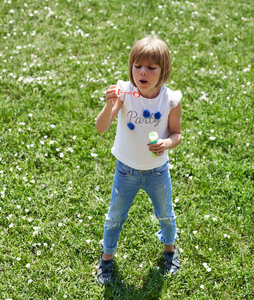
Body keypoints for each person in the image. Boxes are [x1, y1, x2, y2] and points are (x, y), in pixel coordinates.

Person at [95, 36, 182, 285]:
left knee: (166, 213)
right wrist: (109, 105)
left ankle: (170, 252)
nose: (142, 72)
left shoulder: (170, 100)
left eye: (151, 67)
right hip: (126, 171)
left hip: (157, 171)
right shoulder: (125, 92)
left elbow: (176, 134)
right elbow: (102, 127)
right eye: (137, 66)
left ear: (163, 71)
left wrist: (166, 143)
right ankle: (106, 259)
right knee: (115, 217)